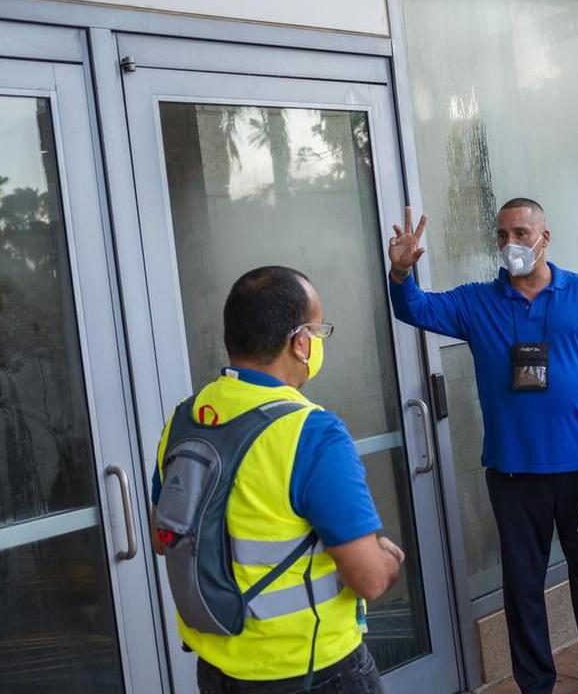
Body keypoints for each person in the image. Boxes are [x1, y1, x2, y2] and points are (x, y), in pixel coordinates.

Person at [386, 201, 578, 694]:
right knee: (523, 588)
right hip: (513, 476)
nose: (511, 244)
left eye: (521, 232)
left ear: (546, 236)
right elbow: (414, 308)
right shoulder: (475, 302)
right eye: (502, 235)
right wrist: (401, 271)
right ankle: (536, 685)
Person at [150, 266, 401, 693]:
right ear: (300, 343)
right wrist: (390, 556)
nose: (317, 343)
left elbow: (164, 537)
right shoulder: (311, 433)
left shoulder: (187, 418)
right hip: (312, 670)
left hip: (218, 670)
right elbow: (370, 579)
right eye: (318, 332)